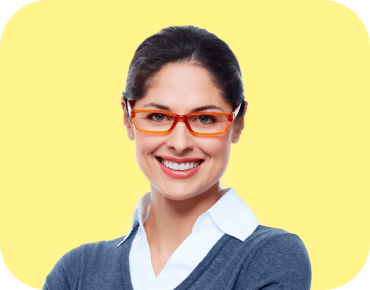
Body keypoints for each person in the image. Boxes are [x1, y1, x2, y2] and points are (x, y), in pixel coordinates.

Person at [43, 25, 311, 290]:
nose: (180, 143)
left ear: (237, 124)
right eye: (158, 117)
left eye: (205, 118)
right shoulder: (77, 272)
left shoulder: (269, 257)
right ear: (128, 118)